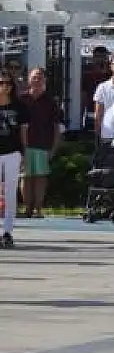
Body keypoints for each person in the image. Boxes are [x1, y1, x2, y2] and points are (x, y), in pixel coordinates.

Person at [19, 67, 61, 220]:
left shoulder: (51, 101)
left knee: (40, 177)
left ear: (44, 80)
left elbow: (56, 127)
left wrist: (54, 148)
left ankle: (38, 209)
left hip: (43, 145)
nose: (37, 80)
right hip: (24, 145)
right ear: (29, 79)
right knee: (25, 177)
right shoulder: (21, 99)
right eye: (34, 77)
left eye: (40, 77)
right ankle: (27, 208)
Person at [0, 72, 26, 248]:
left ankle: (7, 231)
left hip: (12, 152)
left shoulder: (19, 106)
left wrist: (23, 153)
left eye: (8, 83)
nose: (5, 86)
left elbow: (23, 131)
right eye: (1, 82)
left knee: (10, 192)